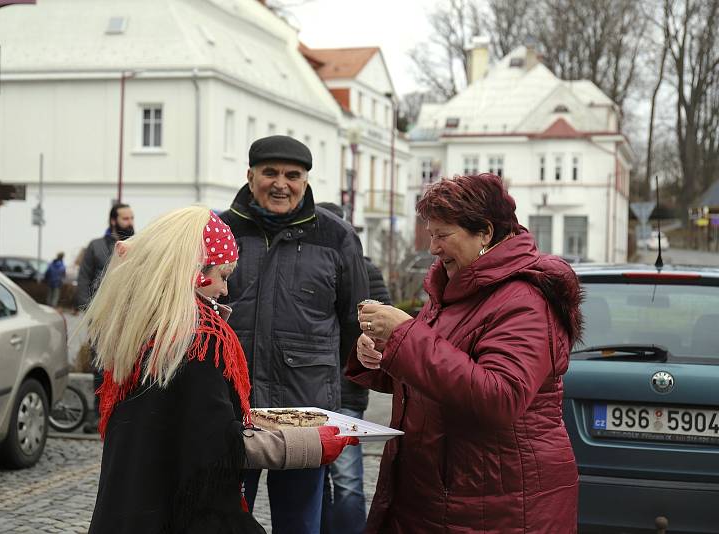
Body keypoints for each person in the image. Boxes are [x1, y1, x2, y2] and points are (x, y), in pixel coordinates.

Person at [84, 206, 359, 534]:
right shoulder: (197, 339)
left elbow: (186, 423)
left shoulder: (140, 325)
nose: (226, 290)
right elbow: (217, 446)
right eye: (224, 276)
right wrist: (310, 444)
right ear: (196, 270)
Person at [350, 173, 582, 533]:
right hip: (444, 495)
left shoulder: (525, 302)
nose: (434, 248)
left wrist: (404, 335)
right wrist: (382, 354)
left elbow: (500, 396)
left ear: (485, 233)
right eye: (431, 236)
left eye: (443, 236)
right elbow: (438, 367)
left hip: (496, 504)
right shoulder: (454, 288)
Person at [220, 136, 369, 534]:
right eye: (269, 173)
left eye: (293, 175)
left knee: (300, 525)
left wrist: (348, 401)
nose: (280, 183)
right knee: (224, 519)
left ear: (306, 180)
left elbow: (355, 325)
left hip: (306, 411)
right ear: (250, 176)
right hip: (231, 408)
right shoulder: (219, 231)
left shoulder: (337, 237)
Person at [316, 202, 391, 534]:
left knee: (346, 478)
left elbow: (383, 328)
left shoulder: (366, 271)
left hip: (346, 390)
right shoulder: (303, 266)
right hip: (309, 388)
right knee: (314, 478)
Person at [76, 202, 134, 433]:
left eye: (131, 218)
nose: (130, 222)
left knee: (127, 365)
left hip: (129, 318)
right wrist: (87, 309)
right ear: (113, 221)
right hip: (102, 318)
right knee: (100, 366)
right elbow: (83, 279)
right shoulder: (96, 247)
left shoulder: (137, 245)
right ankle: (97, 413)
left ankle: (122, 413)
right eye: (125, 218)